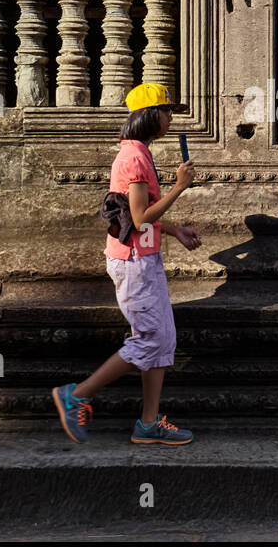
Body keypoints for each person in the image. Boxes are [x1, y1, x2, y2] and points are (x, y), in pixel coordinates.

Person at [51, 83, 202, 445]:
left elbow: (139, 218)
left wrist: (175, 230)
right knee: (150, 338)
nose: (169, 118)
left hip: (145, 257)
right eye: (166, 111)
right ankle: (76, 394)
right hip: (134, 263)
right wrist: (179, 187)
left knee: (163, 340)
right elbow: (137, 219)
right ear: (150, 116)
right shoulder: (133, 158)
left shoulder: (140, 152)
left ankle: (149, 423)